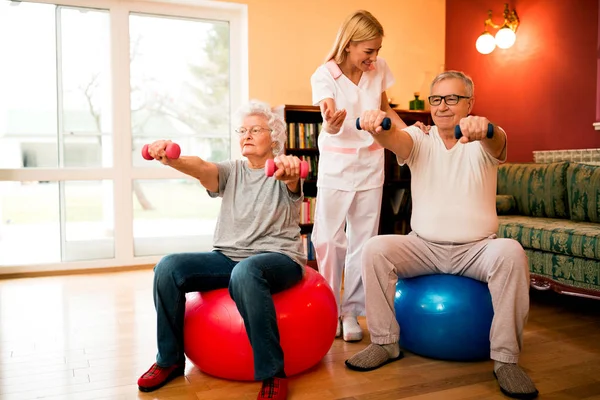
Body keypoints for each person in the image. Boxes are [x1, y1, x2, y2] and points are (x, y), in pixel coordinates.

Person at [345, 71, 539, 399]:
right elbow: (397, 139)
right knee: (376, 248)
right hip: (423, 247)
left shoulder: (487, 137)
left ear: (470, 103)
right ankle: (384, 343)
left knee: (512, 252)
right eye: (437, 99)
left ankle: (506, 360)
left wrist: (486, 129)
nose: (443, 107)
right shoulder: (420, 138)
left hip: (478, 249)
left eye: (452, 99)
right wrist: (380, 125)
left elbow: (498, 141)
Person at [137, 100, 307, 400]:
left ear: (275, 138)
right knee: (167, 267)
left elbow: (293, 180)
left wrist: (291, 171)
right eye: (242, 130)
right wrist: (170, 159)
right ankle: (170, 360)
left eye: (256, 129)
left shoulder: (282, 168)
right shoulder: (232, 171)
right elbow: (202, 167)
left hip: (278, 258)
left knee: (246, 271)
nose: (247, 135)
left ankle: (272, 374)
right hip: (228, 257)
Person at [309, 10, 408, 342]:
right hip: (337, 165)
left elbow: (386, 108)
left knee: (363, 242)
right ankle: (328, 309)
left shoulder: (378, 69)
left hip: (371, 162)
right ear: (349, 45)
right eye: (369, 51)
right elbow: (328, 116)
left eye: (377, 50)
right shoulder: (325, 75)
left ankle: (350, 312)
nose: (374, 58)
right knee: (328, 240)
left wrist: (409, 136)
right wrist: (331, 124)